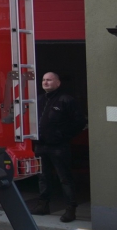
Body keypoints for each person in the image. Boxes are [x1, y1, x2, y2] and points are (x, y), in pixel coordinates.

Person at [31, 72, 86, 222]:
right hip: (40, 145)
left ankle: (70, 209)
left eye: (49, 80)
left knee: (65, 178)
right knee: (42, 177)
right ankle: (43, 205)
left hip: (59, 147)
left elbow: (79, 122)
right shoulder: (39, 100)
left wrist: (63, 136)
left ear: (58, 83)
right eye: (43, 80)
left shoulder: (66, 100)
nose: (45, 82)